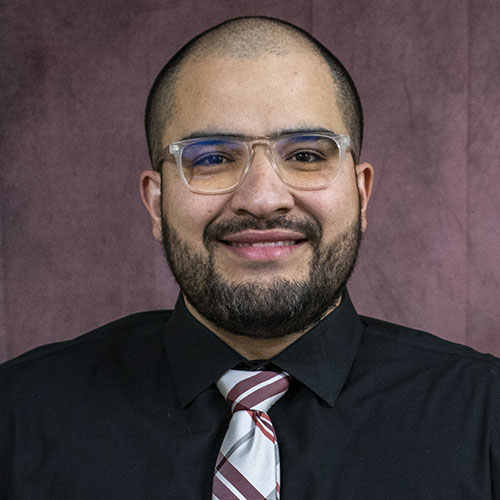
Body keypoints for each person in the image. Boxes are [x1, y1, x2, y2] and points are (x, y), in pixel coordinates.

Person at [1, 16, 499, 500]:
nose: (262, 198)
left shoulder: (486, 416)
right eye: (213, 157)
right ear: (156, 202)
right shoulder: (18, 417)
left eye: (305, 154)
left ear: (361, 193)